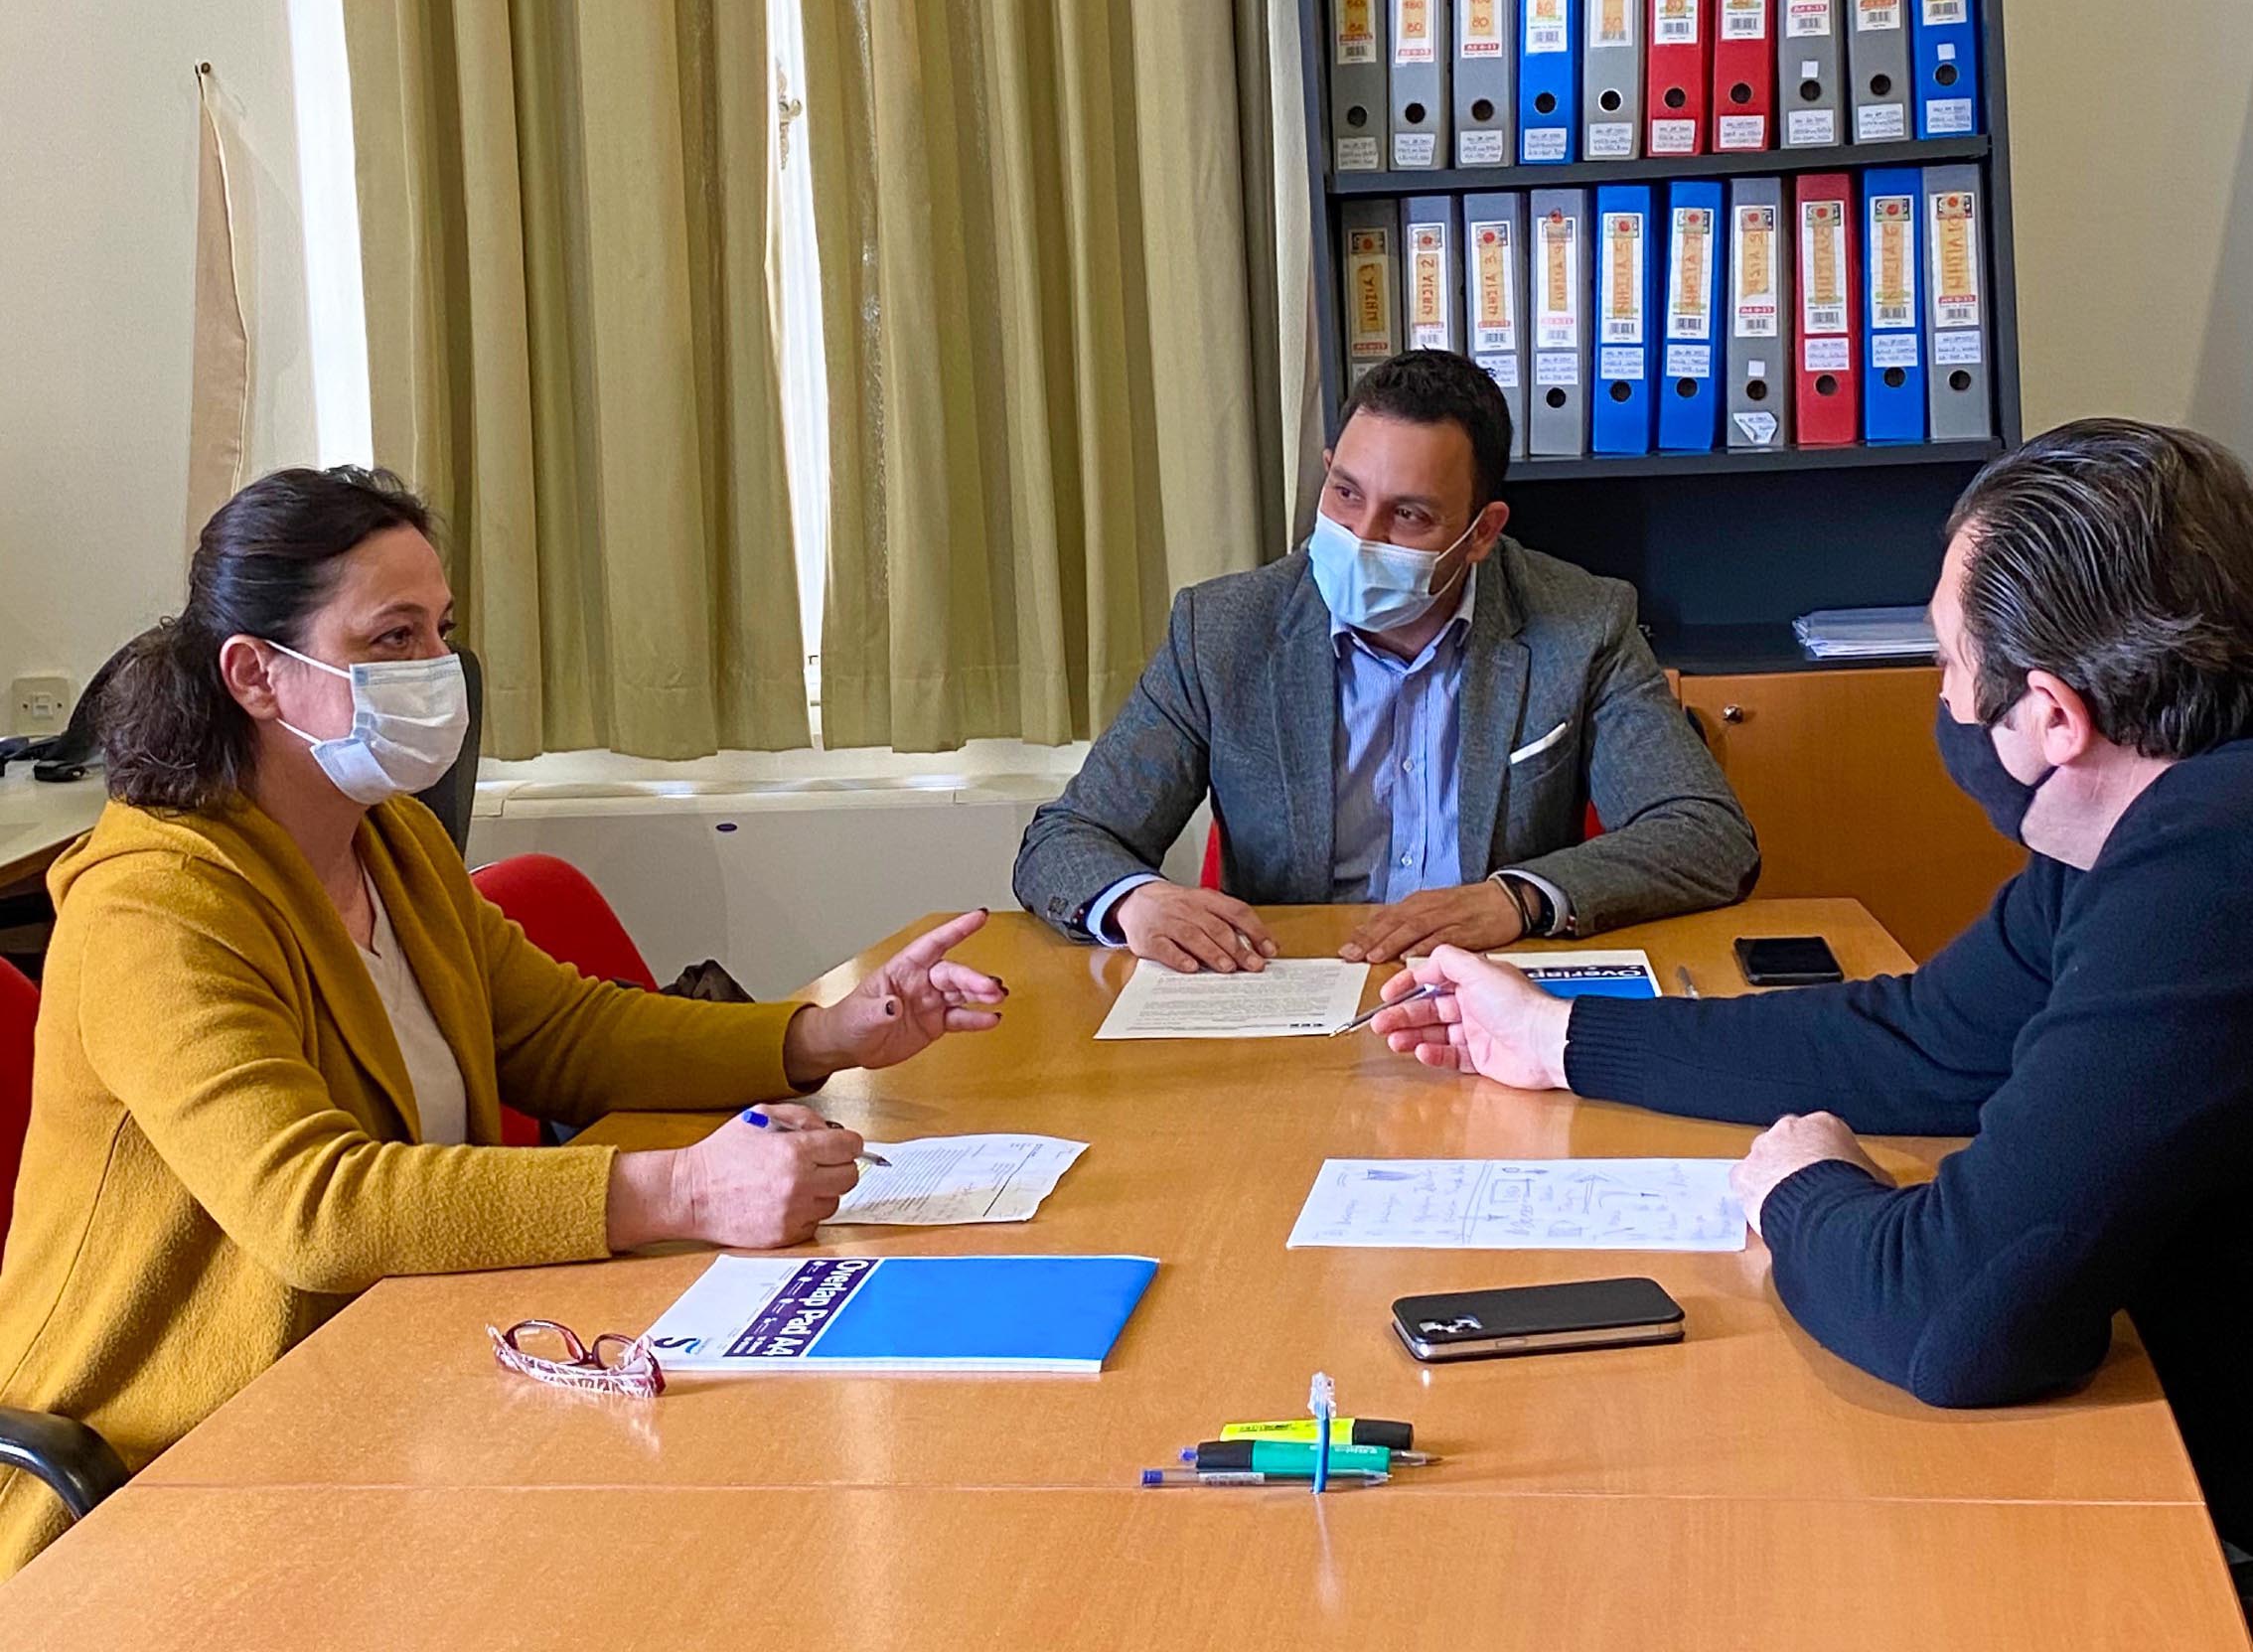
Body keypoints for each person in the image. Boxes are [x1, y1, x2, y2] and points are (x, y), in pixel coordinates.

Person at [0, 467, 1006, 1577]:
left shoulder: (392, 844)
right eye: (391, 637)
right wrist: (684, 1189)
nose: (436, 668)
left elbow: (563, 1035)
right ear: (256, 675)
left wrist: (825, 1033)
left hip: (401, 1382)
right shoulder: (154, 906)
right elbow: (315, 1210)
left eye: (441, 631)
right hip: (172, 1467)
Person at [1370, 419, 2253, 1551]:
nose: (1946, 699)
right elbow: (1926, 1041)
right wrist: (1555, 1040)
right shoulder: (2130, 829)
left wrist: (1805, 1188)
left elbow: (1952, 1317)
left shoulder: (2207, 870)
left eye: (1949, 665)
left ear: (2053, 717)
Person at [1013, 349, 1759, 973]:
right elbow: (1064, 839)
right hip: (1296, 989)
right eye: (1345, 494)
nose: (1361, 536)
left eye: (1408, 514)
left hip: (1486, 996)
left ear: (1481, 532)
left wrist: (1519, 897)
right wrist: (1135, 901)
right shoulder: (1222, 632)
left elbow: (1706, 834)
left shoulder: (1582, 623)